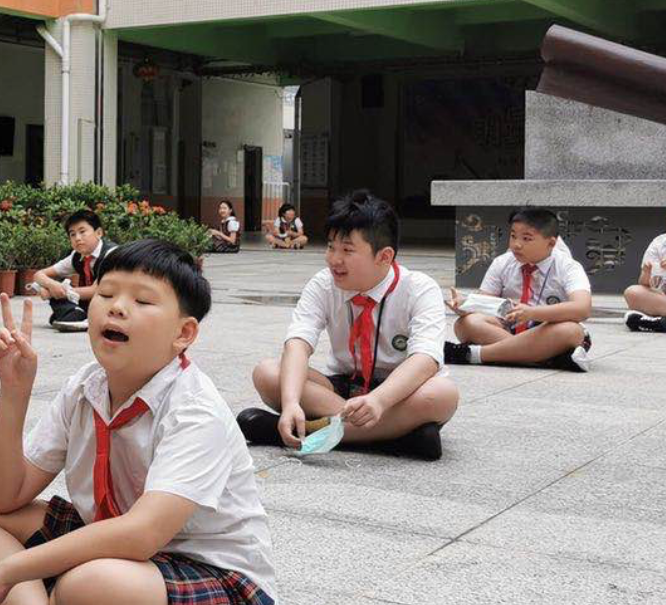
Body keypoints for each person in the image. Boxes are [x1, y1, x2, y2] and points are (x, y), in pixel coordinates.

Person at [0, 241, 278, 605]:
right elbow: (2, 498)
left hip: (213, 579)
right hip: (109, 549)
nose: (117, 308)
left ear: (184, 333)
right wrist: (13, 392)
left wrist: (5, 572)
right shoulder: (86, 386)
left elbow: (140, 536)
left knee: (85, 588)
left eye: (142, 301)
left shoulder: (196, 411)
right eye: (108, 294)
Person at [241, 189, 458, 460]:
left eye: (347, 250)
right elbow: (298, 343)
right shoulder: (323, 283)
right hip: (341, 387)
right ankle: (397, 438)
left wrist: (379, 400)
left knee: (442, 394)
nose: (334, 259)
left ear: (384, 256)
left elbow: (426, 358)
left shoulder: (419, 288)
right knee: (267, 372)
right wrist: (291, 402)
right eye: (331, 247)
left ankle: (306, 432)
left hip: (398, 392)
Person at [444, 209, 592, 371]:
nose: (516, 244)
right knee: (467, 323)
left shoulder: (568, 267)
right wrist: (465, 306)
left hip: (547, 331)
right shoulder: (503, 262)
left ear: (551, 243)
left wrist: (532, 313)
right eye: (513, 236)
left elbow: (582, 308)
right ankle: (544, 358)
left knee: (570, 331)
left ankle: (474, 354)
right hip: (509, 329)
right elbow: (484, 304)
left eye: (527, 239)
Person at [30, 208, 111, 334]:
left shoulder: (111, 254)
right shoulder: (76, 255)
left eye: (82, 232)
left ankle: (75, 315)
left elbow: (97, 290)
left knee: (58, 299)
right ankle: (76, 315)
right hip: (89, 303)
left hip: (110, 304)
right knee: (52, 281)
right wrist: (52, 285)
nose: (77, 238)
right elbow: (39, 275)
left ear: (99, 233)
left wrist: (53, 292)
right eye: (72, 234)